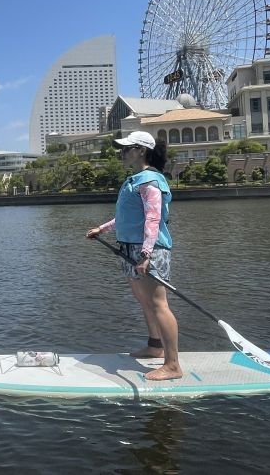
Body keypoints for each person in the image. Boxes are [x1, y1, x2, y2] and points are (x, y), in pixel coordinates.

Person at [86, 131, 182, 381]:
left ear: (141, 150)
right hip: (130, 247)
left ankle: (172, 365)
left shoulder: (150, 180)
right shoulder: (135, 179)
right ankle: (154, 346)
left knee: (159, 304)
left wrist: (147, 254)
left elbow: (153, 218)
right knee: (145, 302)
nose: (122, 153)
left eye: (126, 148)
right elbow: (128, 217)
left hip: (149, 249)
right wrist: (103, 229)